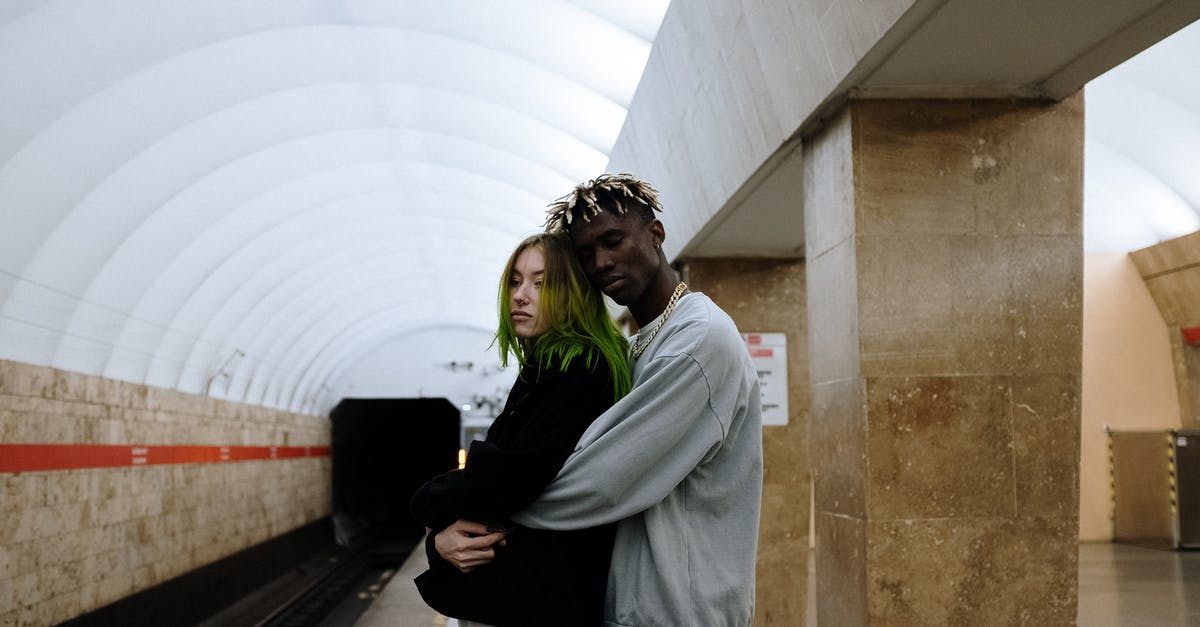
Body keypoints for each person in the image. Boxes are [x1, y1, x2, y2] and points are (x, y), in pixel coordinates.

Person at [436, 174, 764, 627]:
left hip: (680, 609)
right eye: (586, 253)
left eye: (613, 240)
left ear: (656, 234)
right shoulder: (641, 343)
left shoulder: (697, 341)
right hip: (638, 604)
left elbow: (598, 483)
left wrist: (467, 518)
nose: (601, 262)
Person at [409, 231, 633, 627]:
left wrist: (426, 502)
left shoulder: (575, 366)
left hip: (544, 600)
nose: (520, 295)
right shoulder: (558, 362)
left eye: (540, 283)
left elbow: (510, 479)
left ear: (573, 292)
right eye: (515, 281)